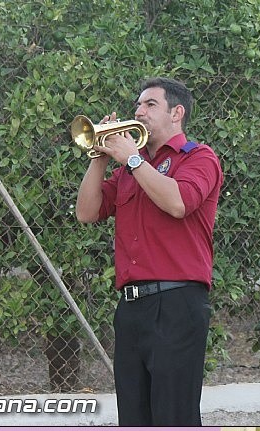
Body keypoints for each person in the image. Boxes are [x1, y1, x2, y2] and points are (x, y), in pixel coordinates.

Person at [75, 77, 223, 426]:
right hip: (131, 308)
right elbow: (86, 212)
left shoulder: (199, 158)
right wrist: (100, 157)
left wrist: (132, 160)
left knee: (173, 417)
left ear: (177, 113)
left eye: (150, 105)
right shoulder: (130, 168)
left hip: (177, 304)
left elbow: (177, 202)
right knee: (134, 418)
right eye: (138, 105)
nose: (139, 111)